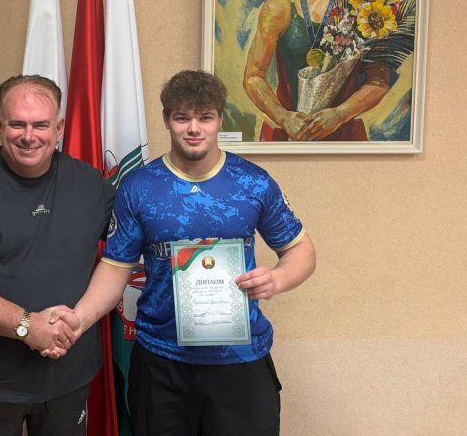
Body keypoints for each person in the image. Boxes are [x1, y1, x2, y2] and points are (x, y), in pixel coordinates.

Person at [46, 70, 316, 435]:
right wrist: (79, 318)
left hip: (240, 359)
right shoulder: (139, 187)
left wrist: (277, 279)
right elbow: (115, 267)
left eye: (205, 117)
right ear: (166, 119)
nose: (193, 128)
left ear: (220, 119)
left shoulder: (253, 182)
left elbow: (301, 251)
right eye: (182, 117)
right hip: (161, 362)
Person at [0, 75, 114, 436]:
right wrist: (27, 326)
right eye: (17, 124)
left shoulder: (91, 185)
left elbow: (126, 253)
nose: (29, 136)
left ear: (59, 128)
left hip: (70, 377)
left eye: (41, 124)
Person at [243, 0, 389, 141]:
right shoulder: (278, 8)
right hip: (288, 132)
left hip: (343, 134)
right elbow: (253, 76)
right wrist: (284, 117)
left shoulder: (363, 7)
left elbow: (379, 81)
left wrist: (340, 114)